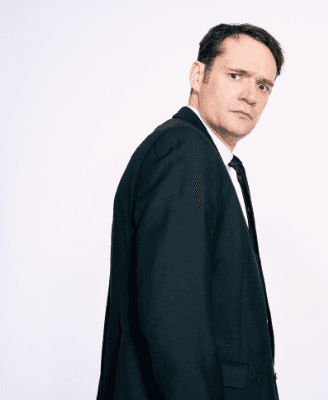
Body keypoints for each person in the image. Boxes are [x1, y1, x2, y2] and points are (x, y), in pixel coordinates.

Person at [97, 23, 284, 399]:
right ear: (198, 75)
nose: (250, 96)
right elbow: (174, 313)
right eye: (236, 75)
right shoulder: (184, 151)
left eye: (264, 85)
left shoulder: (214, 160)